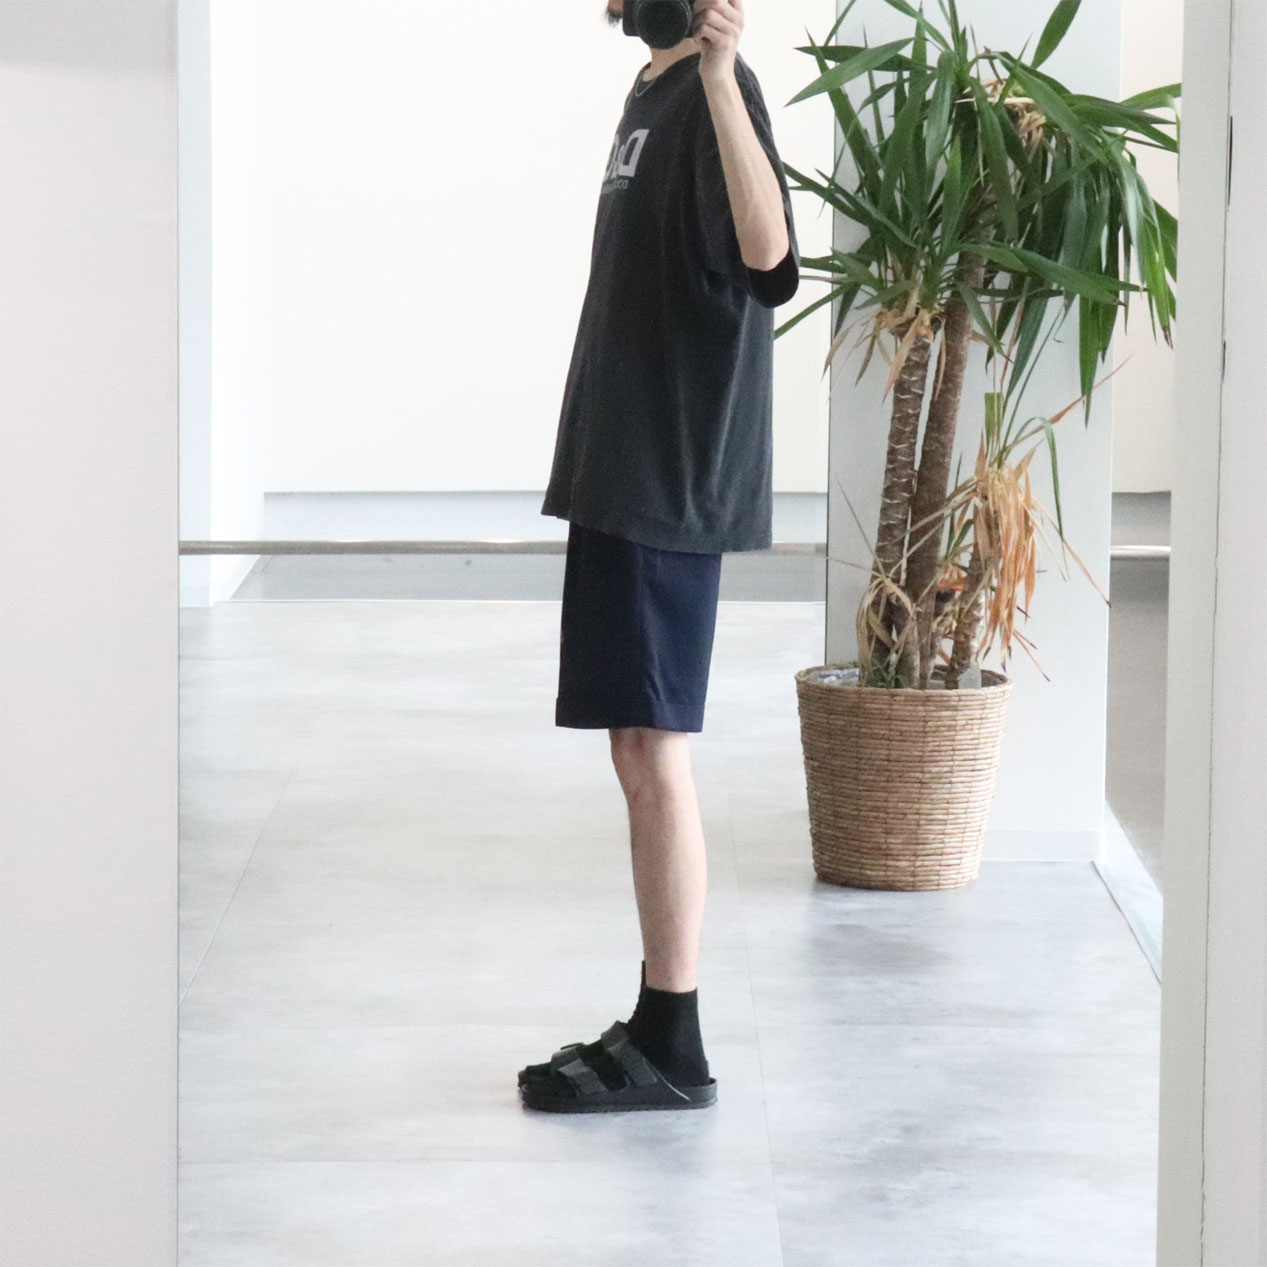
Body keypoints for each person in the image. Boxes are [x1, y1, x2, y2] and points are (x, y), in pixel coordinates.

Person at [517, 0, 800, 1113]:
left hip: (668, 470)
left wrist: (725, 75)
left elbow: (769, 256)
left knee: (654, 745)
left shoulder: (716, 90)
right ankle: (654, 1020)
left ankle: (674, 1038)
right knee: (635, 747)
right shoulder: (649, 91)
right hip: (619, 464)